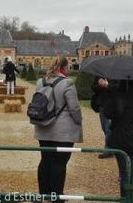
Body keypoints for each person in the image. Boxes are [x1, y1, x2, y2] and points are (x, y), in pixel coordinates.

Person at [34, 56, 83, 203]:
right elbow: (74, 108)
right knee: (59, 163)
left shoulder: (40, 81)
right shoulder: (67, 83)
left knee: (45, 161)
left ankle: (44, 194)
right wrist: (79, 121)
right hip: (63, 131)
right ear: (65, 67)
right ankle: (56, 196)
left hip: (43, 127)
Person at [91, 76, 113, 159]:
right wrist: (100, 85)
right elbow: (93, 87)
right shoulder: (99, 74)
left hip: (111, 105)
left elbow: (117, 89)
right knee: (104, 128)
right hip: (102, 105)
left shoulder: (115, 74)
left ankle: (109, 150)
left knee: (108, 129)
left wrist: (107, 85)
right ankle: (112, 147)